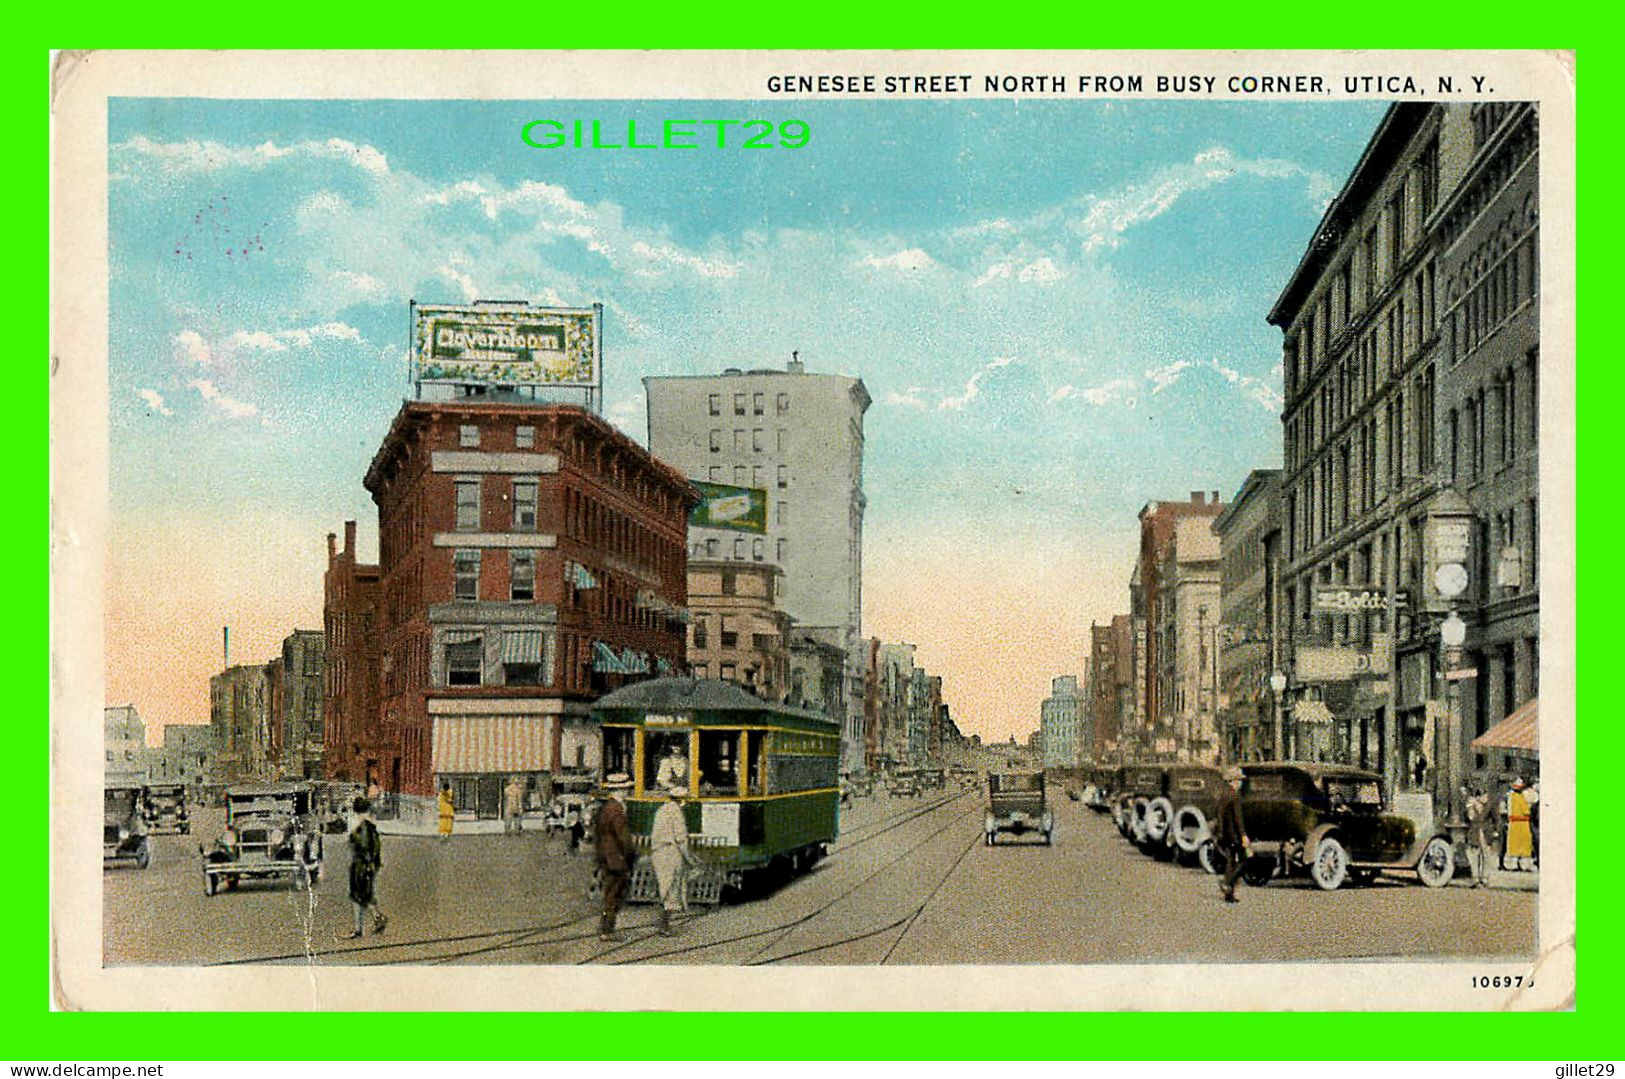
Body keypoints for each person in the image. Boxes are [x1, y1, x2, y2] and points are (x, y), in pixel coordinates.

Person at [593, 773, 635, 942]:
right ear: (620, 790)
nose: (628, 792)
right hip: (616, 858)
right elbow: (623, 837)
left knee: (609, 892)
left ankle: (605, 928)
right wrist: (630, 854)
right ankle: (607, 930)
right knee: (614, 894)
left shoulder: (606, 808)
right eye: (626, 789)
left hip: (606, 856)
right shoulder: (617, 809)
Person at [649, 784, 695, 936]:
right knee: (671, 888)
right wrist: (690, 859)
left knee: (664, 886)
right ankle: (664, 925)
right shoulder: (677, 812)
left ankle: (662, 923)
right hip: (670, 853)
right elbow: (681, 839)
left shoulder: (662, 809)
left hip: (658, 852)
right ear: (681, 800)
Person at [343, 796, 386, 940]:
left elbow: (364, 847)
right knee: (365, 895)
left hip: (361, 865)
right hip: (365, 865)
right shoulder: (368, 826)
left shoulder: (363, 827)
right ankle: (374, 919)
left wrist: (368, 865)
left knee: (357, 895)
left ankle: (360, 928)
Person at [1215, 766, 1249, 903]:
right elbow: (1238, 819)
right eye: (1239, 780)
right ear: (1233, 781)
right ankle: (1227, 882)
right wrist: (1243, 835)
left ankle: (1229, 894)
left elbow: (1220, 815)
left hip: (1225, 834)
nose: (1240, 783)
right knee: (1244, 861)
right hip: (1234, 834)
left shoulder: (1223, 794)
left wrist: (1220, 833)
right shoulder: (1235, 796)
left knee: (1230, 862)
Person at [1464, 783, 1497, 887]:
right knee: (1474, 854)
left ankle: (1485, 877)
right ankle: (1475, 877)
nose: (1482, 798)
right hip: (1474, 831)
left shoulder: (1490, 805)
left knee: (1486, 855)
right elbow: (1468, 818)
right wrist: (1471, 807)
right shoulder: (1471, 806)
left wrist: (1496, 830)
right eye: (1479, 795)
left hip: (1486, 832)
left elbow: (1496, 818)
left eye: (1483, 795)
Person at [1506, 778, 1534, 871]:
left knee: (1520, 844)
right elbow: (1526, 811)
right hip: (1518, 823)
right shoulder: (1514, 797)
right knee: (1518, 844)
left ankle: (1520, 865)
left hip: (1520, 824)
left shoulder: (1517, 796)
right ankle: (1517, 865)